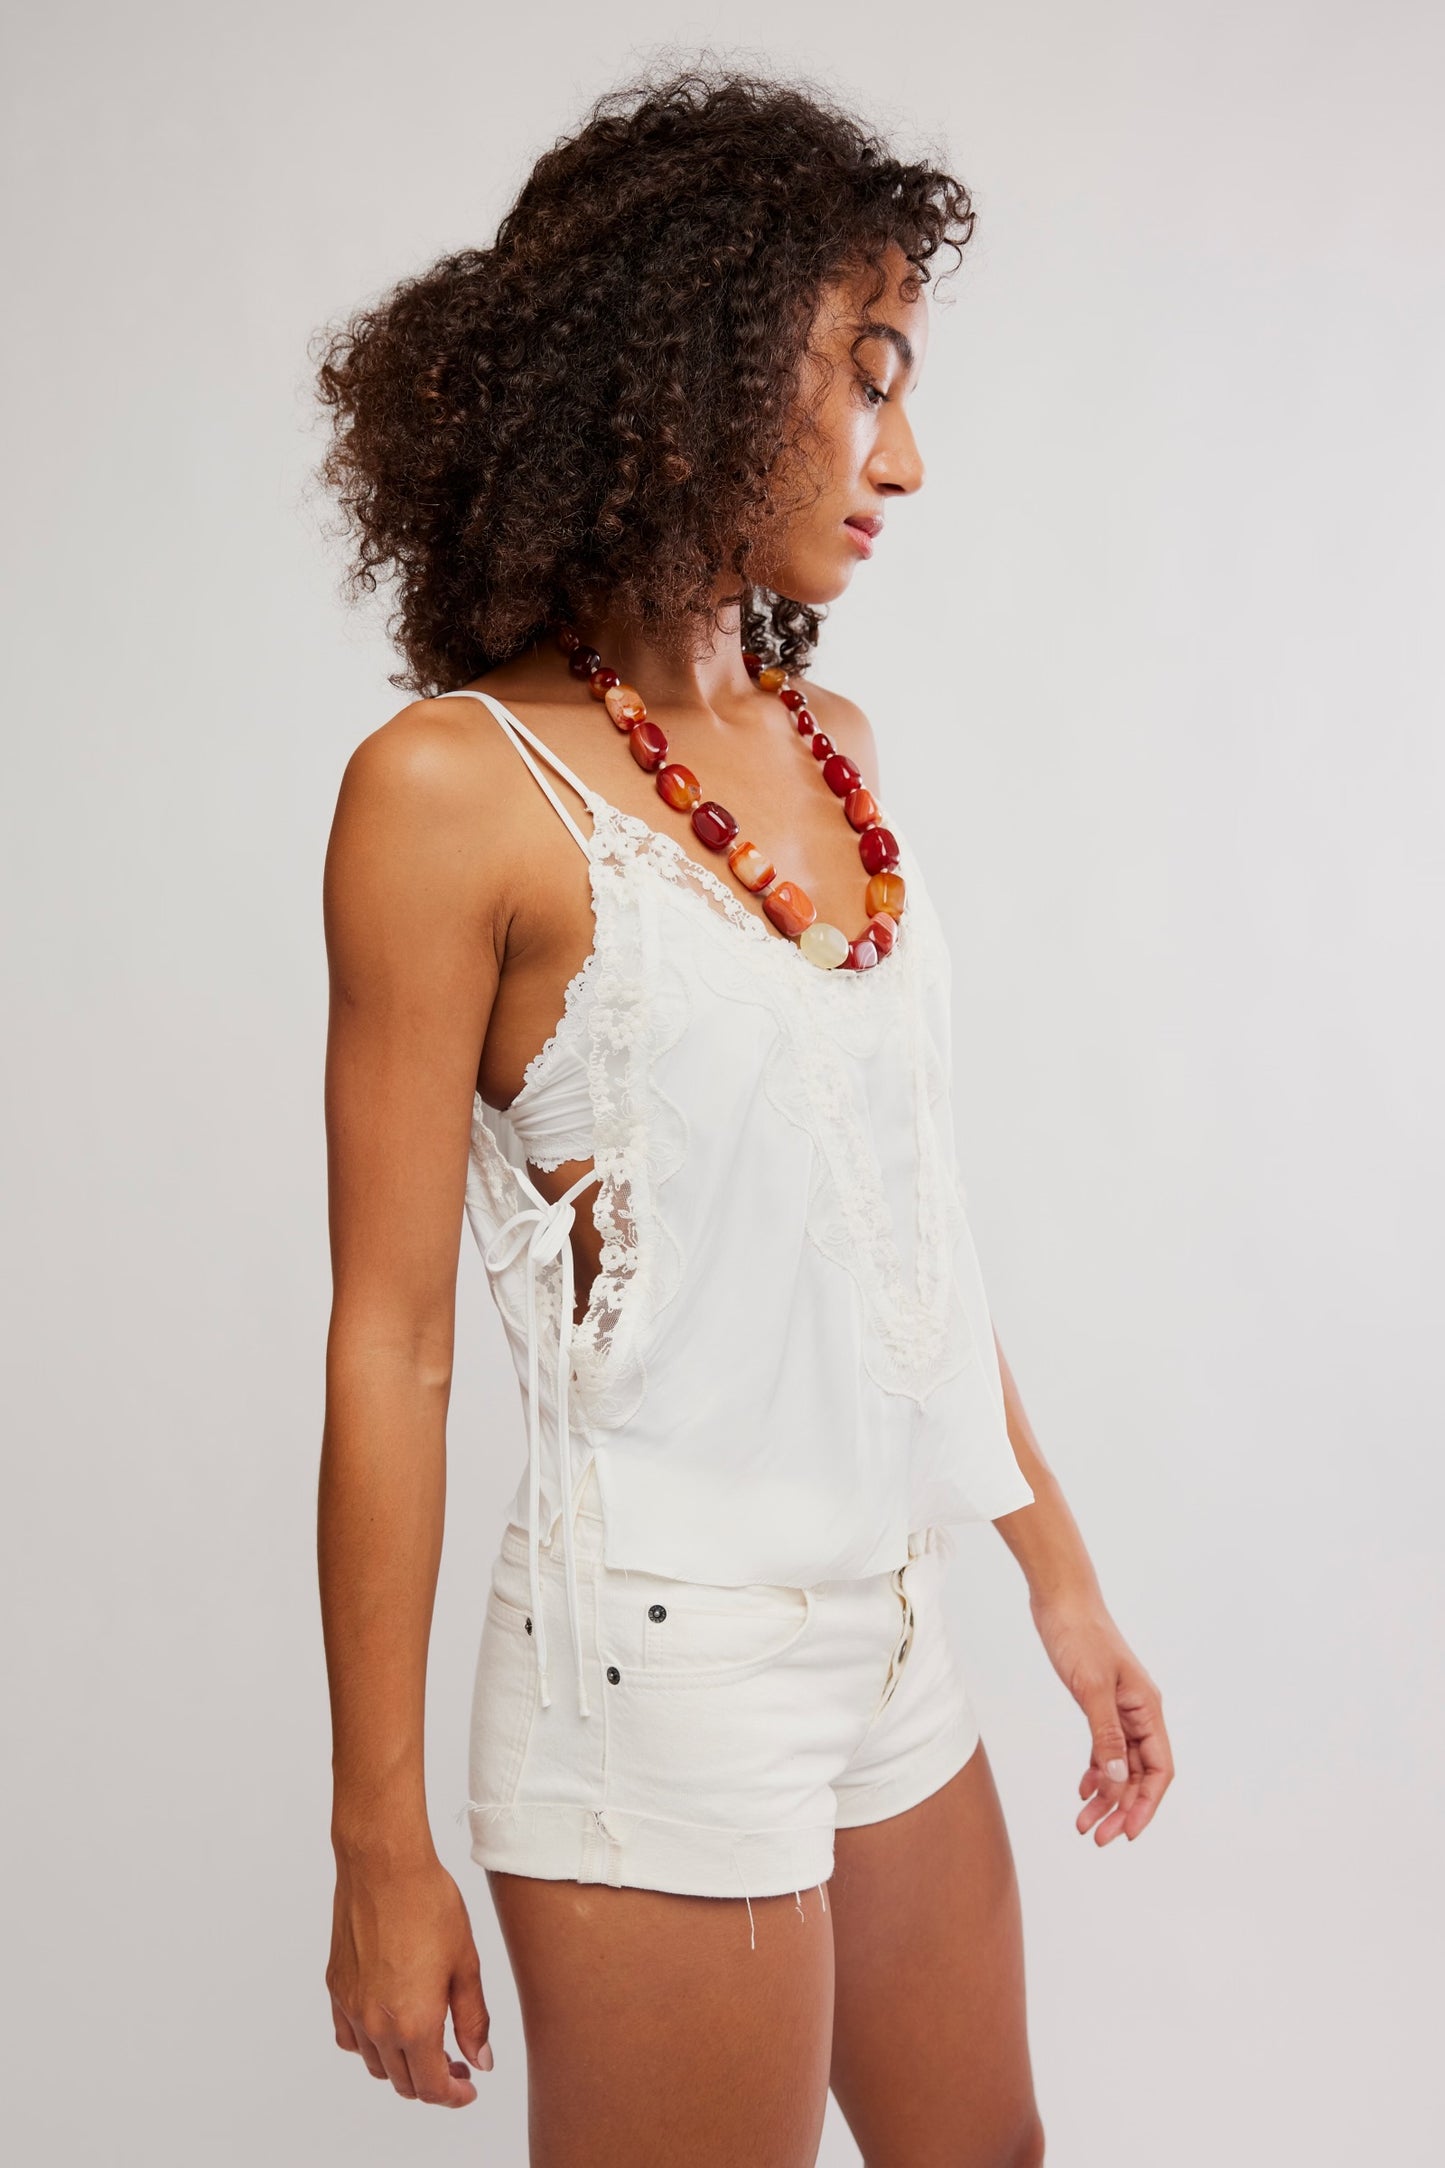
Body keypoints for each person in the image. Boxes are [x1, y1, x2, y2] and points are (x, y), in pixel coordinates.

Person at [313, 67, 1173, 2168]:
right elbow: (392, 1342)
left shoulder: (838, 745)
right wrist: (378, 1840)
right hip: (651, 1672)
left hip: (889, 1628)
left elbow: (903, 1227)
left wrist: (1053, 1572)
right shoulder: (447, 793)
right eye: (863, 380)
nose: (906, 457)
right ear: (684, 377)